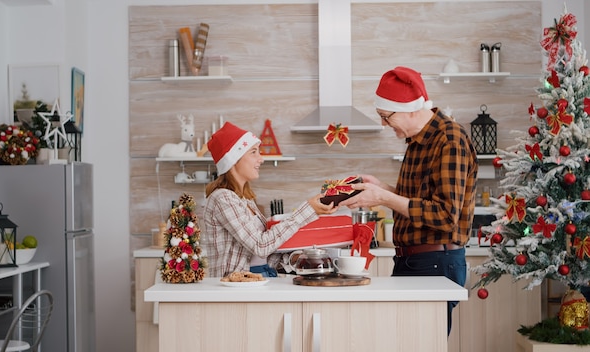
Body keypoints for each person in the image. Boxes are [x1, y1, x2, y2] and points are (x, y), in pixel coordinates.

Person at [339, 66, 478, 335]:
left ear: (410, 109)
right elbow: (420, 201)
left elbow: (445, 215)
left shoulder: (450, 139)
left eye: (385, 117)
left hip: (435, 262)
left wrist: (384, 197)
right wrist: (381, 187)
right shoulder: (418, 141)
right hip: (414, 261)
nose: (383, 124)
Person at [203, 122, 337, 278]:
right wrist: (307, 210)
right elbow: (260, 246)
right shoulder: (223, 198)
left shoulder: (246, 200)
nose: (261, 159)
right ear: (233, 160)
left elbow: (263, 256)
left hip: (261, 279)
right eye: (253, 152)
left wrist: (294, 256)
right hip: (236, 287)